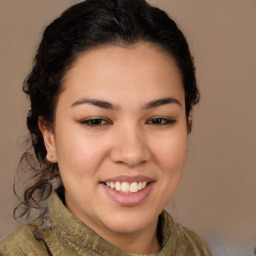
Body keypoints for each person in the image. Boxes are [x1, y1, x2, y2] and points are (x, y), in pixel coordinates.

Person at [0, 0, 212, 255]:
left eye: (158, 120)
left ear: (187, 128)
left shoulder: (195, 249)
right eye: (96, 121)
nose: (132, 153)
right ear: (50, 137)